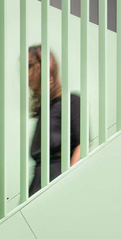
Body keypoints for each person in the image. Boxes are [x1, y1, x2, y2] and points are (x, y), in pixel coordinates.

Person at [28, 45, 80, 195]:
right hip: (37, 189)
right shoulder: (45, 111)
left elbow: (82, 145)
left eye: (30, 66)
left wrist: (66, 187)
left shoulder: (71, 102)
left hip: (58, 190)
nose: (27, 73)